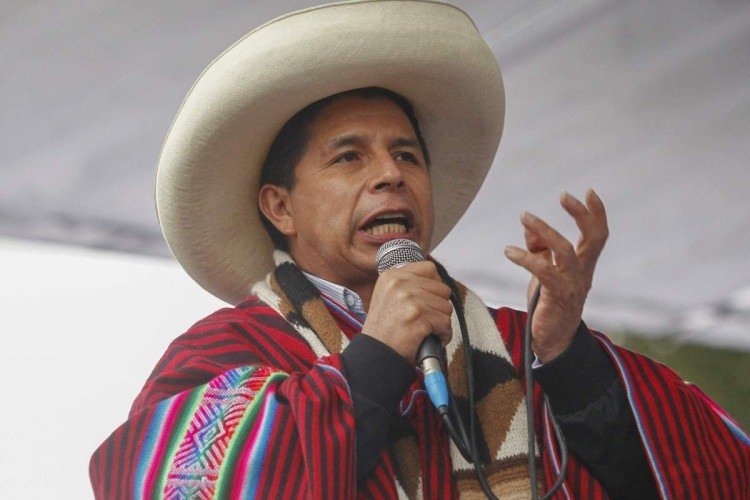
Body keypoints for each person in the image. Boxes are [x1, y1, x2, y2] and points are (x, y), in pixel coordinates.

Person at [89, 1, 749, 498]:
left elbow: (718, 475)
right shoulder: (230, 350)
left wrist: (567, 358)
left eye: (407, 155)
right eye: (350, 157)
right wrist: (376, 357)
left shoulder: (518, 346)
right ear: (279, 207)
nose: (391, 174)